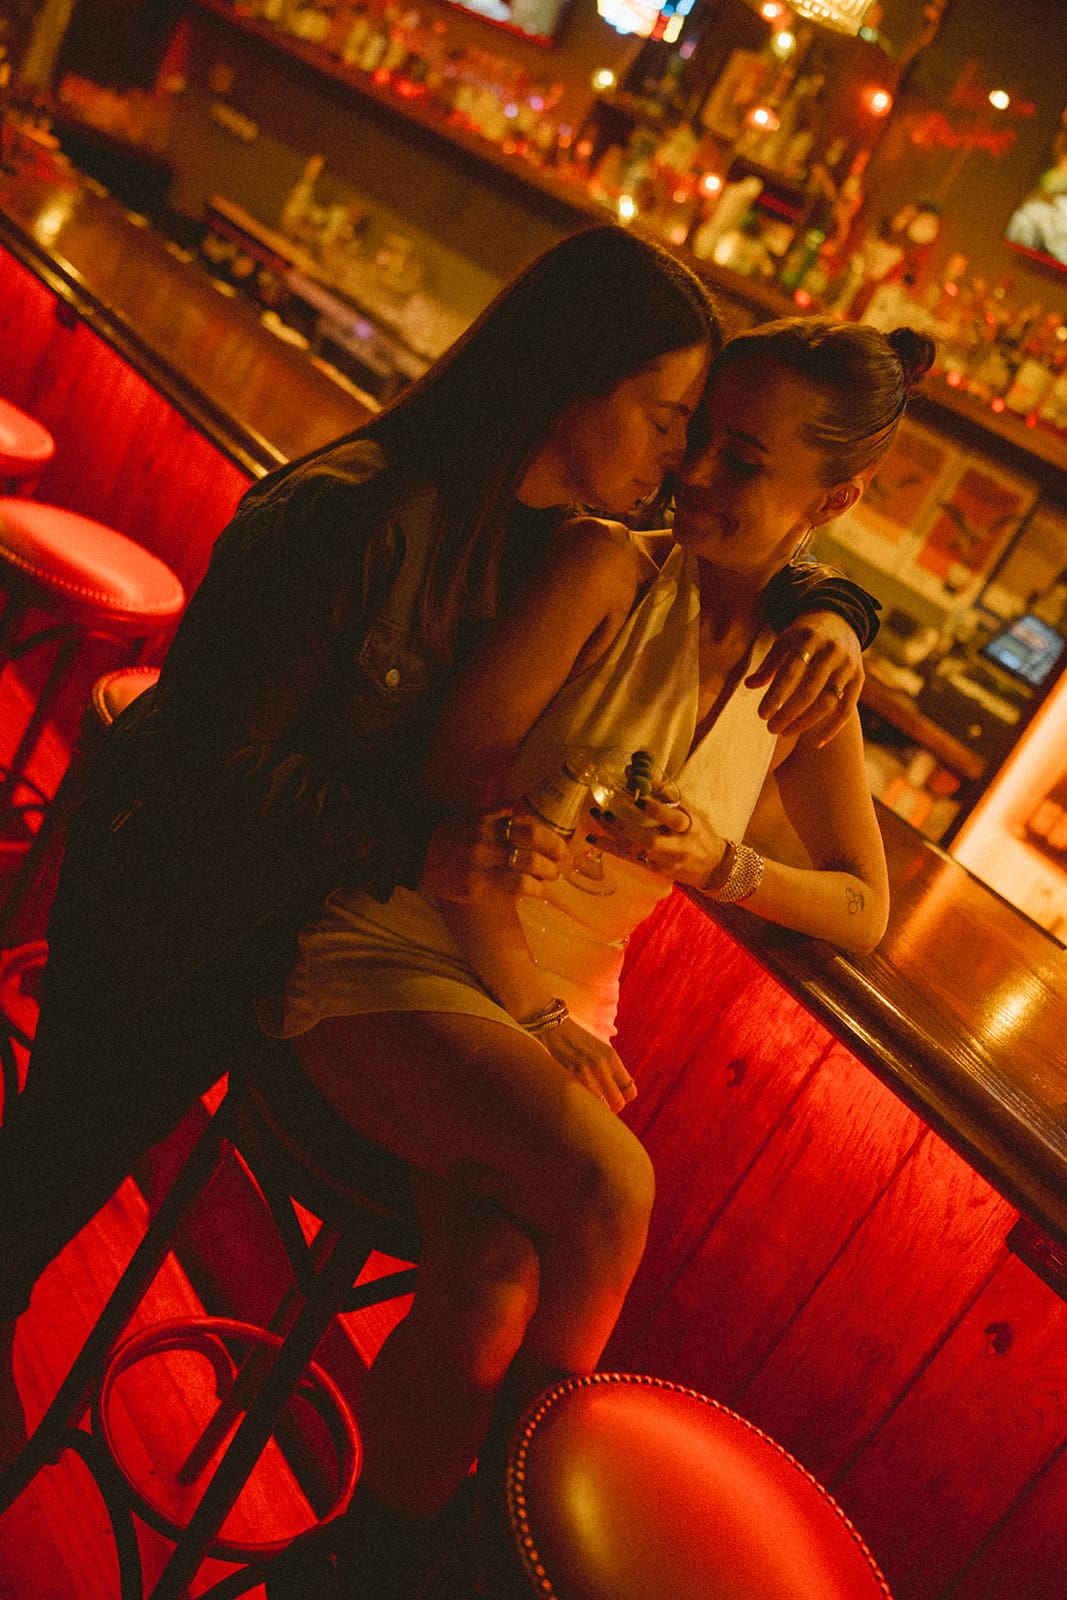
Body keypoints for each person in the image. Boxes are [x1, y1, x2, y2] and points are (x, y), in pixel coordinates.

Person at [0, 227, 877, 1559]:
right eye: (667, 420)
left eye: (703, 434)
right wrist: (413, 845)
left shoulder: (541, 532)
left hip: (332, 921)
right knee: (56, 1165)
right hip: (185, 907)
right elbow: (201, 766)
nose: (679, 460)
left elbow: (738, 555)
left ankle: (395, 1555)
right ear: (566, 386)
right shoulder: (359, 514)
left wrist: (827, 605)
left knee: (487, 1282)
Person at [256, 315, 932, 1596]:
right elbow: (455, 780)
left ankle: (366, 1562)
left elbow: (861, 906)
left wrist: (718, 862)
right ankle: (494, 1562)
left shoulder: (801, 672)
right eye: (697, 437)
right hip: (413, 942)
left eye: (743, 460)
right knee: (614, 1187)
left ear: (832, 501)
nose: (694, 474)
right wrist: (533, 977)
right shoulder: (604, 566)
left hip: (560, 1006)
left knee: (489, 1290)